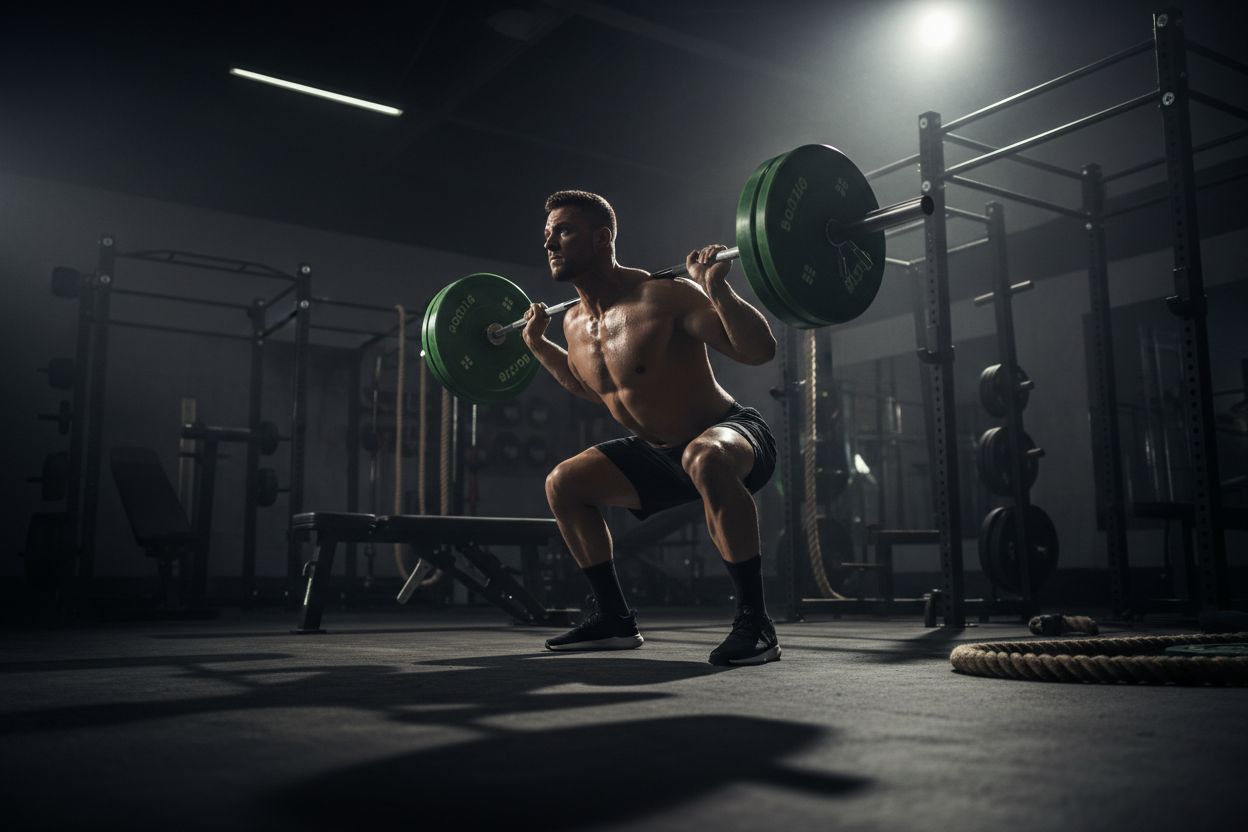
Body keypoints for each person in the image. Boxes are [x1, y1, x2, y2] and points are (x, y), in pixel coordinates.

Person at [523, 190, 781, 666]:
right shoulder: (574, 323)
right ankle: (614, 619)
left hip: (729, 434)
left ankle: (756, 623)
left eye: (563, 231)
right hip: (660, 452)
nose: (550, 244)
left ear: (602, 238)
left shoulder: (664, 297)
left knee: (702, 455)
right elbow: (590, 387)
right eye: (547, 235)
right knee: (565, 483)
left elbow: (757, 351)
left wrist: (717, 289)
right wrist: (537, 344)